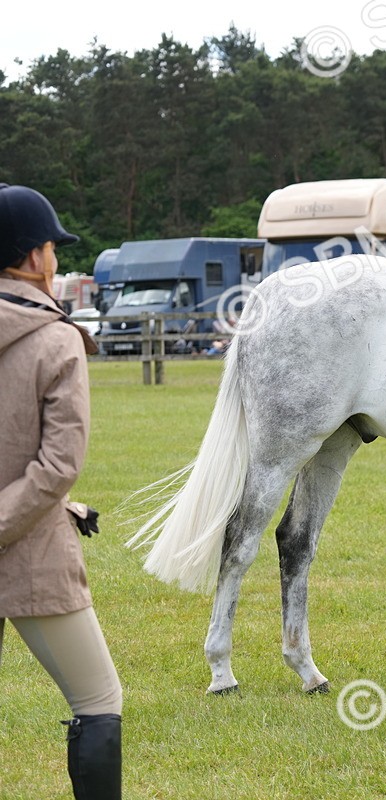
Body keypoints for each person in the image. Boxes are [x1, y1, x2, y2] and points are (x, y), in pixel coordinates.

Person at [0, 184, 123, 797]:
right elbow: (55, 466)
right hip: (29, 556)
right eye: (50, 247)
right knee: (99, 700)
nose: (54, 260)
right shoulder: (57, 339)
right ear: (29, 256)